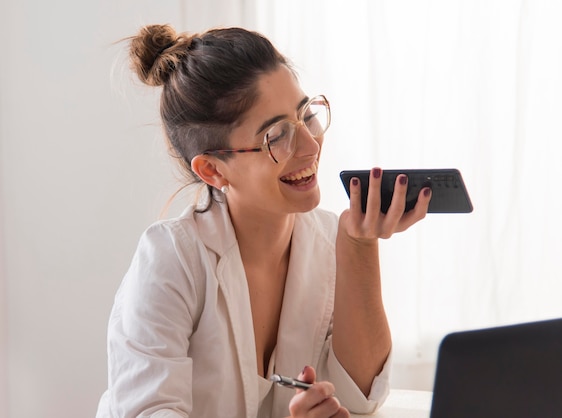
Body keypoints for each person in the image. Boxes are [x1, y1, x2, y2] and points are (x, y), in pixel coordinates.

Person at [96, 23, 431, 418]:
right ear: (213, 171)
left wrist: (359, 246)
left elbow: (360, 399)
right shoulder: (171, 261)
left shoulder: (325, 240)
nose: (310, 145)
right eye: (276, 136)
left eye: (306, 115)